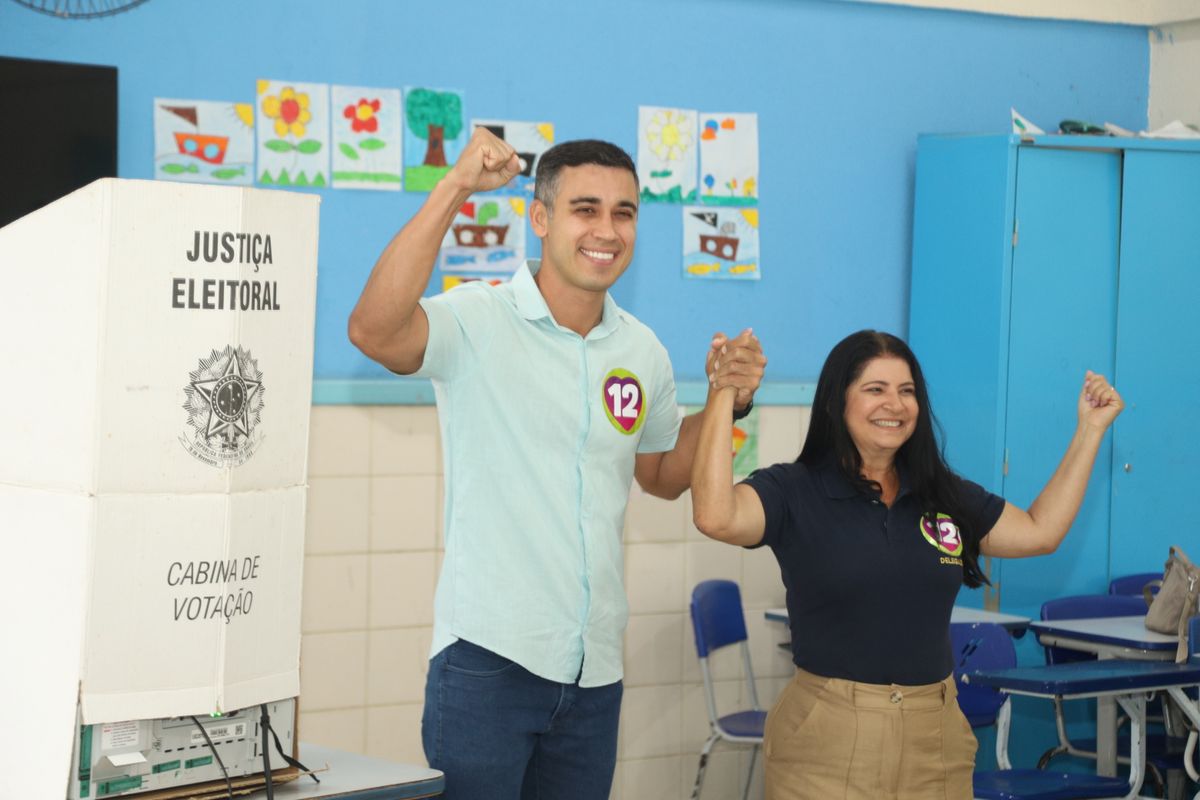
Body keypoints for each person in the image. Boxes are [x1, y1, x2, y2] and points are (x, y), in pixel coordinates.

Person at [347, 127, 765, 800]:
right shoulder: (479, 319)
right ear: (540, 218)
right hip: (487, 664)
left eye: (623, 212)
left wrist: (726, 401)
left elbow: (659, 474)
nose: (607, 229)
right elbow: (373, 329)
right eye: (585, 208)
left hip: (594, 673)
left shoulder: (642, 349)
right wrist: (454, 185)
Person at [693, 329, 1123, 800]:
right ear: (838, 402)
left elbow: (1041, 531)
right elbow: (716, 516)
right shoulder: (794, 489)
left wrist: (1090, 430)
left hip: (933, 736)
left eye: (907, 391)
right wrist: (723, 395)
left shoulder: (941, 493)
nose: (894, 405)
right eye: (875, 389)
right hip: (825, 738)